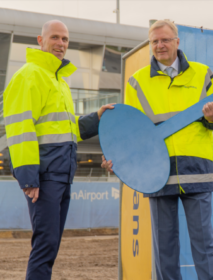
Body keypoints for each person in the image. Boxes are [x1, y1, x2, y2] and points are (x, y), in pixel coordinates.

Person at [101, 20, 213, 279]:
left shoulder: (203, 74)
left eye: (165, 40)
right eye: (155, 41)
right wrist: (116, 157)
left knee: (204, 247)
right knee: (164, 251)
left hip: (197, 173)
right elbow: (130, 132)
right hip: (156, 172)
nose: (160, 45)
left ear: (177, 42)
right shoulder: (137, 82)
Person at [3, 20, 114, 280]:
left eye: (65, 39)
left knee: (50, 245)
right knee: (45, 246)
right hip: (44, 176)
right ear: (40, 41)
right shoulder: (29, 75)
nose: (61, 44)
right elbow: (20, 130)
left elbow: (66, 129)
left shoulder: (59, 81)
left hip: (62, 174)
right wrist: (29, 177)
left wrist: (96, 118)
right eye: (55, 37)